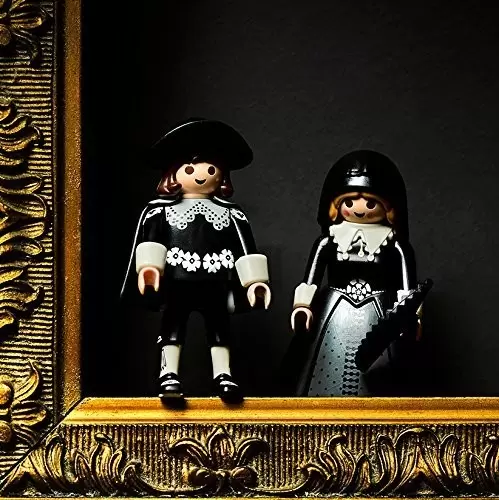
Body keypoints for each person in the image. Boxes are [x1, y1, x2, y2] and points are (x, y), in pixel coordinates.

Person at [121, 119, 271, 402]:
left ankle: (224, 374)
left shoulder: (231, 214)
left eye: (210, 169)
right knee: (172, 326)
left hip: (217, 283)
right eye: (190, 169)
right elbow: (151, 241)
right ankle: (168, 373)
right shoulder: (160, 212)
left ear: (222, 175)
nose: (201, 176)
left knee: (220, 328)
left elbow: (244, 248)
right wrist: (149, 269)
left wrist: (254, 282)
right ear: (173, 174)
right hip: (178, 282)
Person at [290, 150, 420, 396]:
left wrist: (410, 317)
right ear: (335, 205)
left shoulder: (395, 245)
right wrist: (302, 306)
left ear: (388, 207)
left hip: (378, 311)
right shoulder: (329, 241)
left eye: (370, 203)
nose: (359, 209)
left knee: (384, 371)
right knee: (319, 365)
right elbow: (311, 279)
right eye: (349, 202)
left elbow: (407, 288)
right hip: (333, 311)